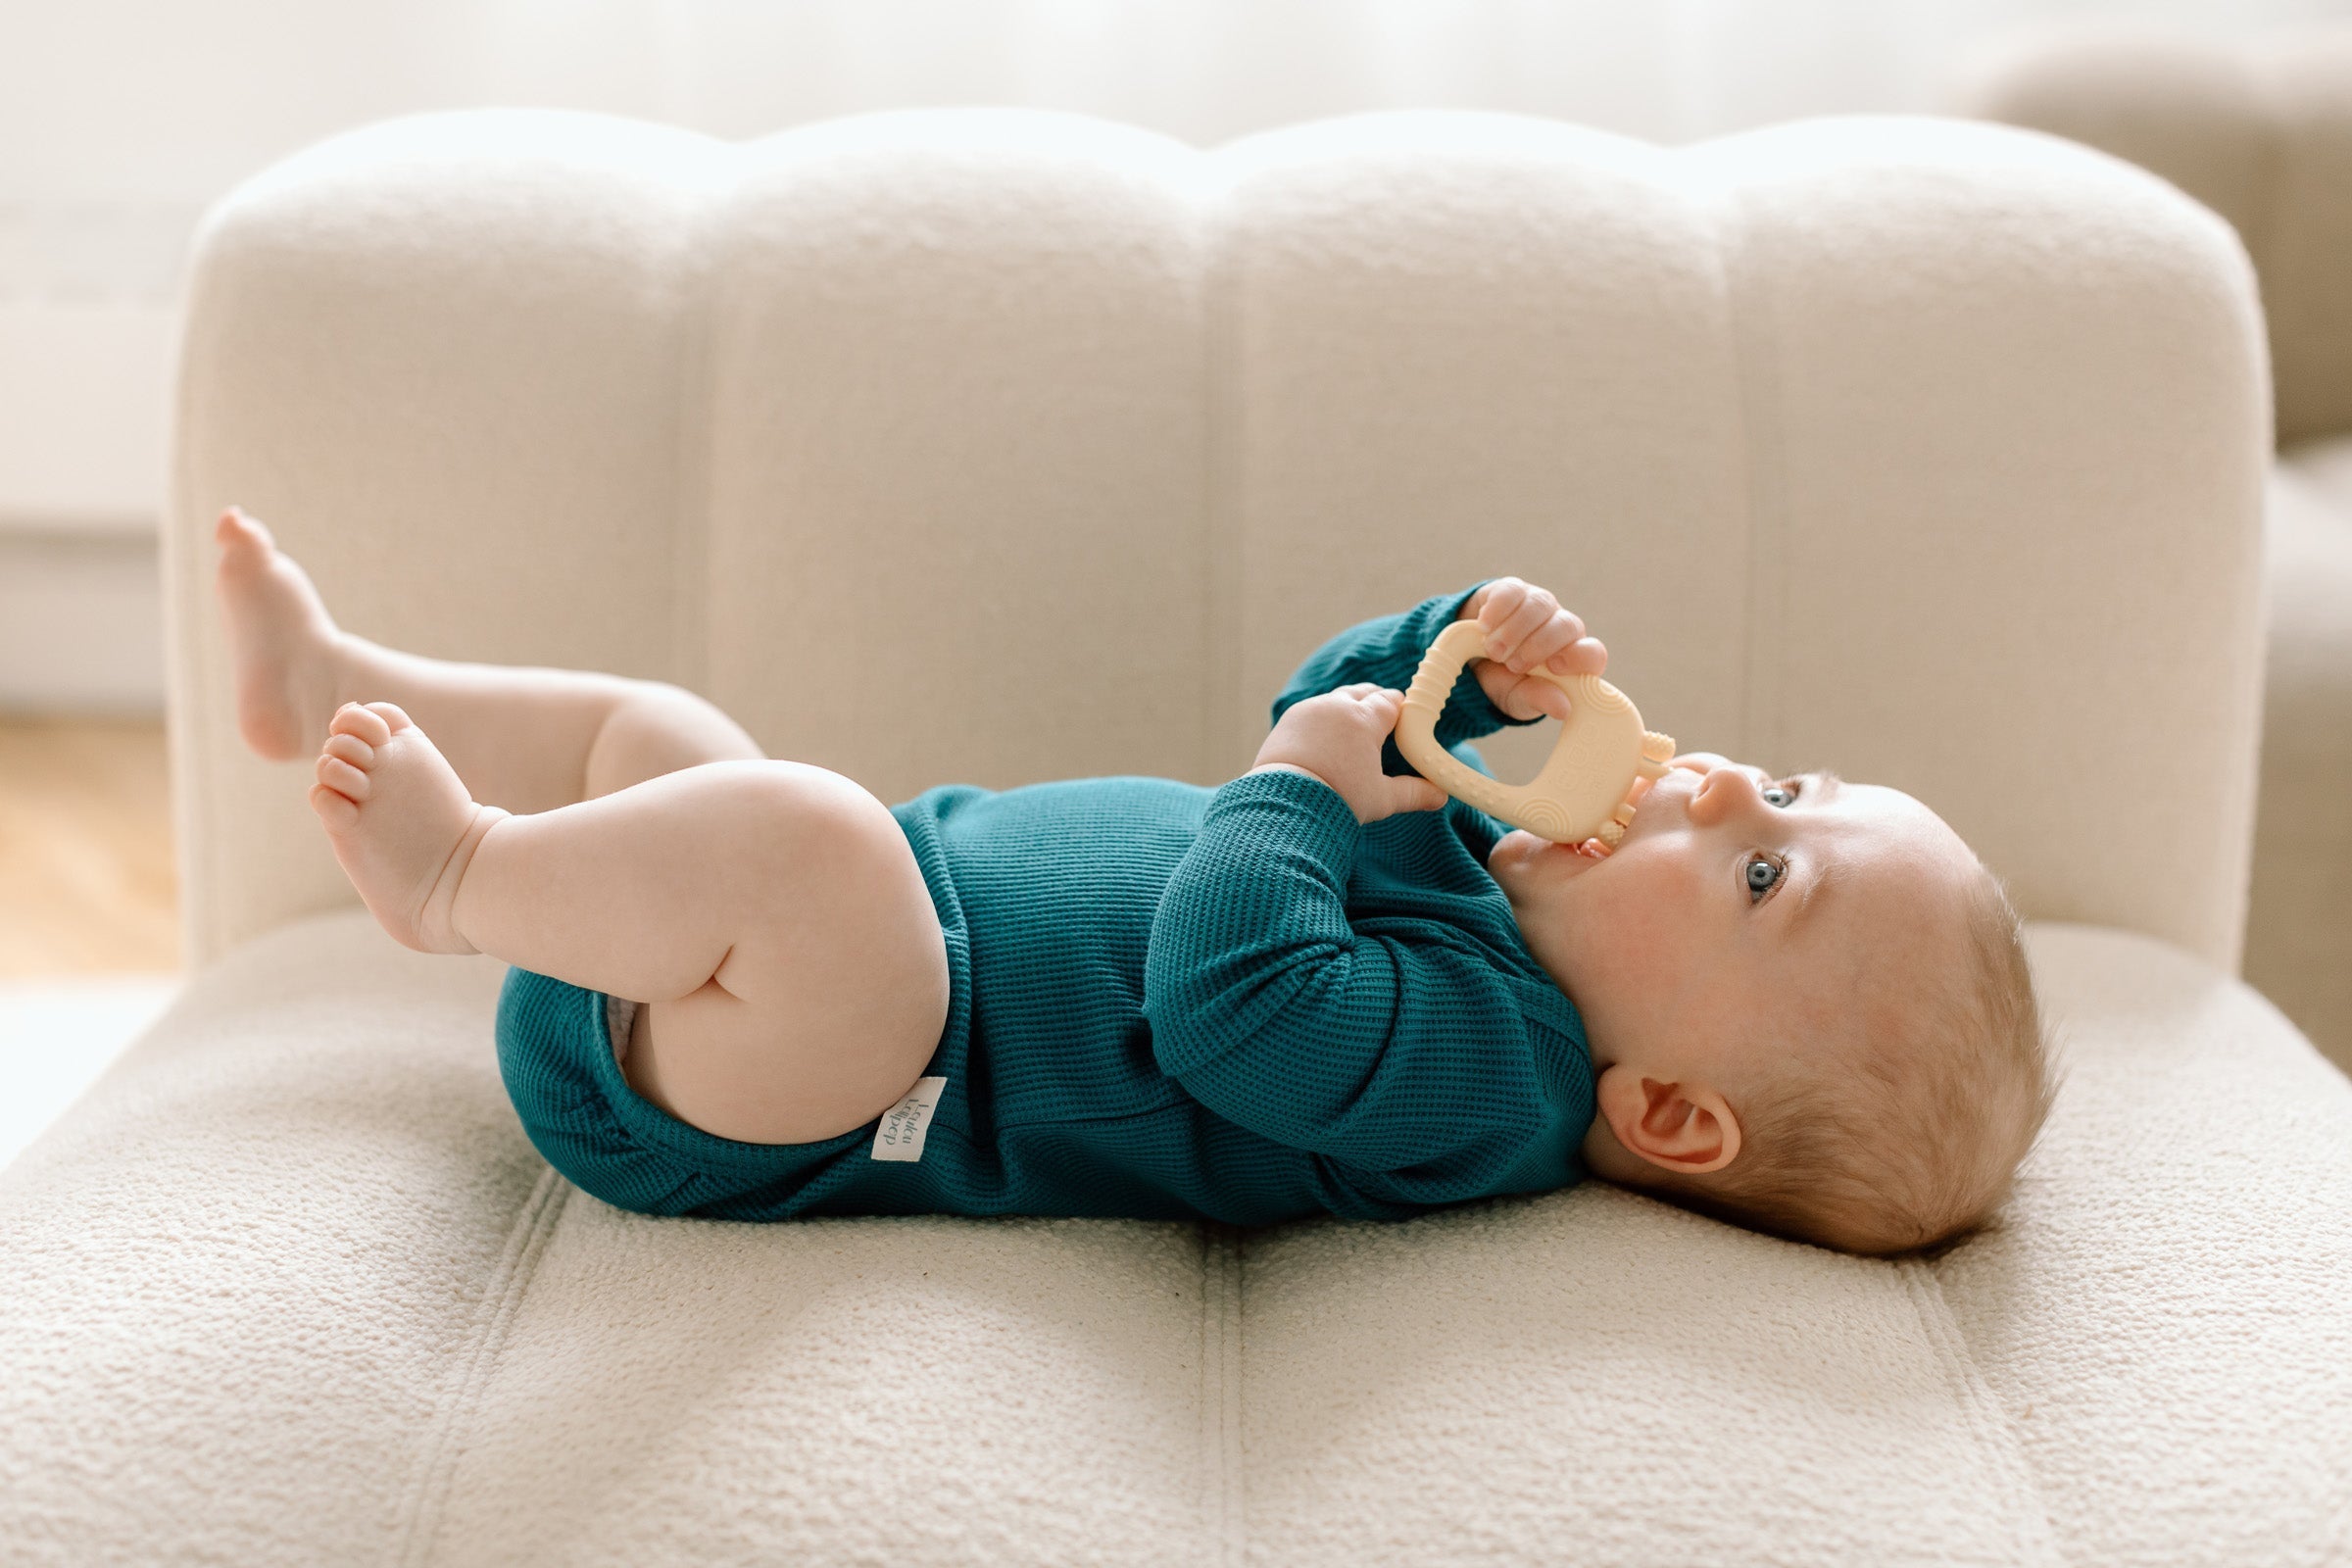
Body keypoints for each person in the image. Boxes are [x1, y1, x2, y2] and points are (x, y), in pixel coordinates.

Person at [213, 505, 2053, 1257]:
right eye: (1783, 786)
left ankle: (461, 881)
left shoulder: (1501, 1071)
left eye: (1761, 874)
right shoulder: (1489, 870)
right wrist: (1436, 662)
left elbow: (1235, 1002)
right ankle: (339, 683)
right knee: (676, 739)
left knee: (815, 850)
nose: (1717, 783)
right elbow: (1318, 724)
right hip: (712, 962)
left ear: (1670, 1114)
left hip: (806, 1085)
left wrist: (1305, 786)